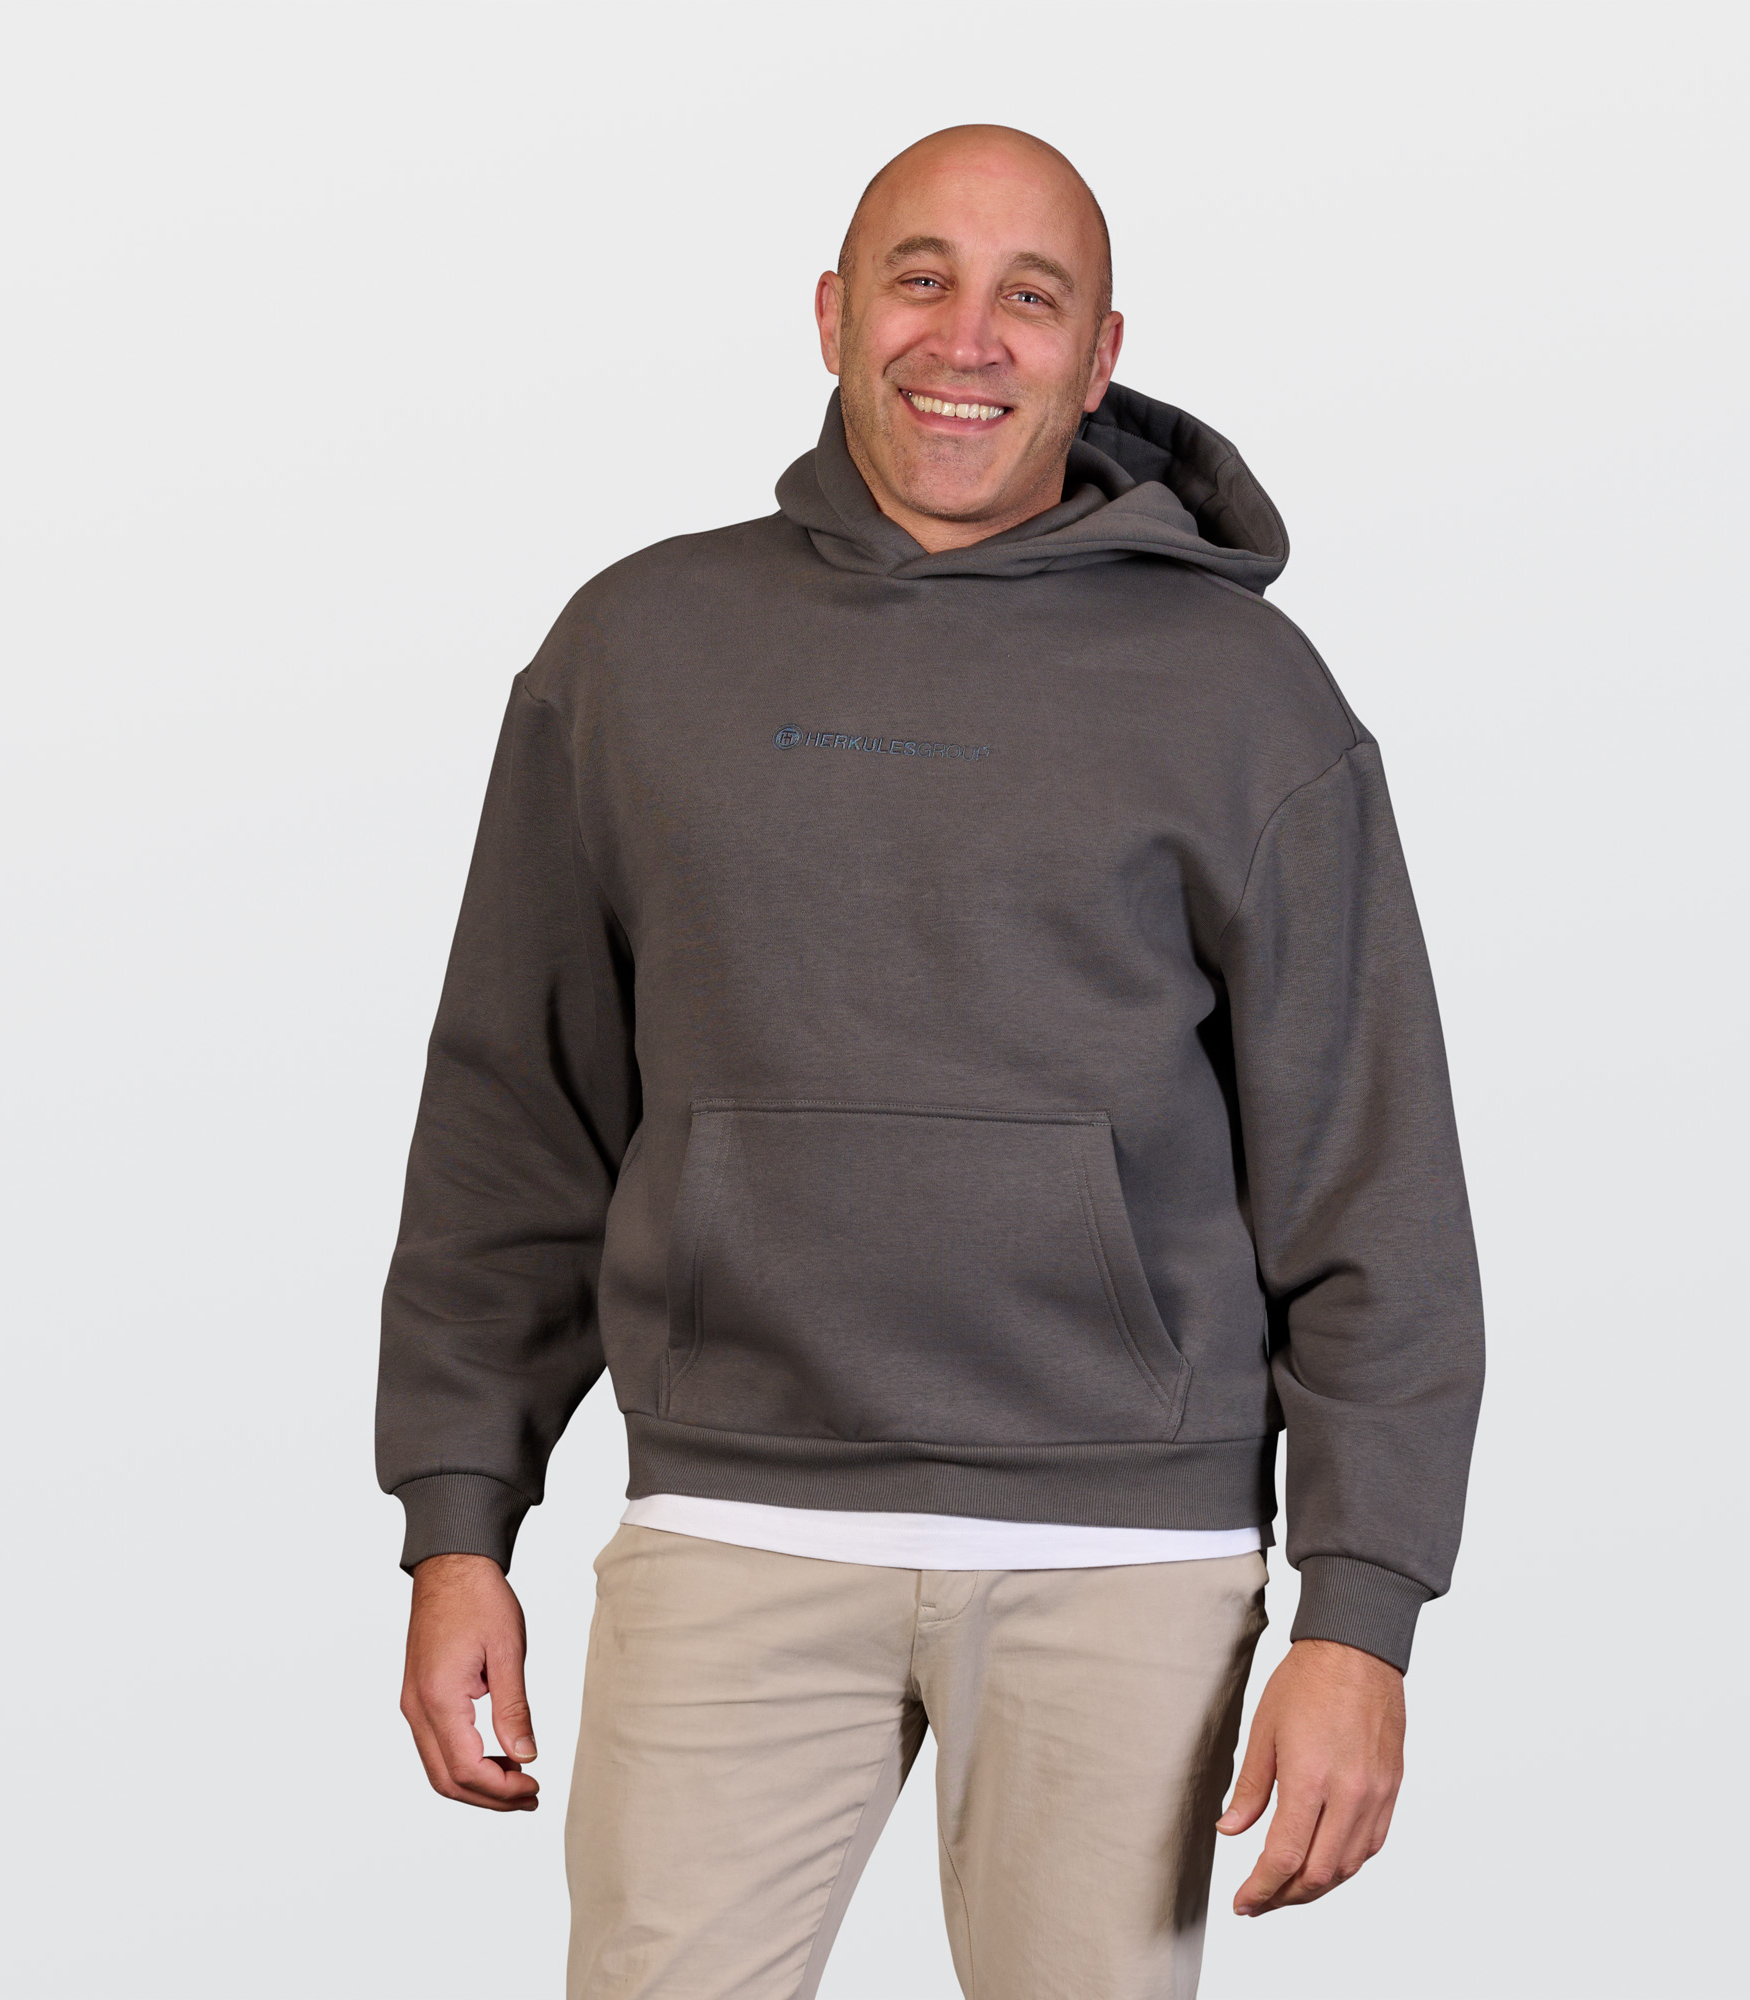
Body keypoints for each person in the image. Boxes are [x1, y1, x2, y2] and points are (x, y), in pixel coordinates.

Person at [378, 123, 1484, 2000]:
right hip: (731, 1521)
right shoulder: (635, 650)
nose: (966, 339)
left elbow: (1369, 1180)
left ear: (1099, 353)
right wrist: (455, 1521)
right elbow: (514, 1117)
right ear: (831, 312)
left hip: (1126, 1563)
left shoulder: (1243, 696)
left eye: (1027, 298)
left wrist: (1360, 1616)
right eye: (920, 279)